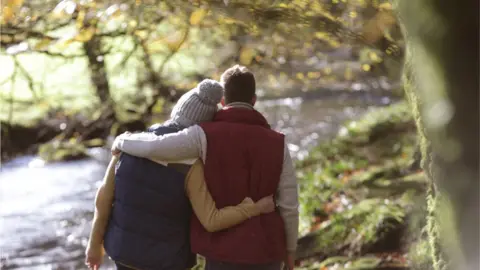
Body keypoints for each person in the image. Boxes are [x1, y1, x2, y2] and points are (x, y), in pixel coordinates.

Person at [112, 65, 299, 270]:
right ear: (254, 100)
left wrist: (123, 141)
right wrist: (290, 251)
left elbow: (155, 147)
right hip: (267, 252)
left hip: (222, 252)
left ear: (222, 101)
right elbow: (289, 205)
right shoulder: (278, 143)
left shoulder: (202, 135)